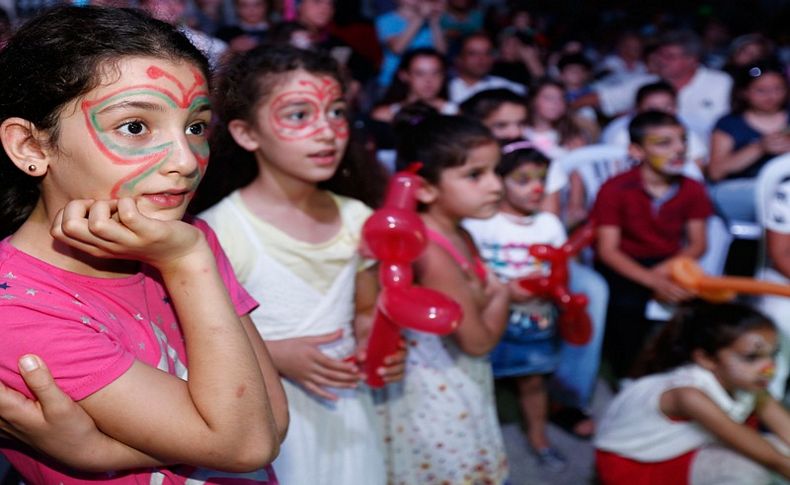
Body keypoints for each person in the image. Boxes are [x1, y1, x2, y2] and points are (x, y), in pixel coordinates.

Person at [0, 6, 287, 483]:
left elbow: (273, 419)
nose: (185, 161)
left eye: (195, 127)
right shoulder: (19, 311)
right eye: (135, 126)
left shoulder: (181, 239)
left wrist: (100, 452)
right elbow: (246, 443)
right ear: (32, 147)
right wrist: (186, 262)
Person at [195, 44, 402, 485]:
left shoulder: (358, 220)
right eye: (298, 115)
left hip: (346, 408)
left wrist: (378, 345)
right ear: (247, 134)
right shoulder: (220, 233)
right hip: (267, 415)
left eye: (337, 112)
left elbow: (366, 309)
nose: (328, 132)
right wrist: (275, 355)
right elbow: (191, 344)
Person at [377, 114, 509, 484]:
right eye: (475, 175)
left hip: (456, 383)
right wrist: (503, 296)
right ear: (424, 189)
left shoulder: (459, 231)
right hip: (441, 394)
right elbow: (478, 341)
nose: (496, 186)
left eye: (497, 171)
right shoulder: (434, 253)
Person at [595, 302, 790, 484]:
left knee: (779, 449)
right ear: (706, 359)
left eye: (773, 354)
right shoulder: (689, 395)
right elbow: (775, 460)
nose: (769, 369)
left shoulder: (751, 382)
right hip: (639, 464)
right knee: (750, 469)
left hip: (685, 448)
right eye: (751, 357)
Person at [464, 144, 568, 470]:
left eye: (541, 179)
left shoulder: (549, 224)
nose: (536, 188)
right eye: (523, 180)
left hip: (535, 318)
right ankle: (479, 447)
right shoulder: (482, 224)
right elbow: (469, 271)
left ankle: (538, 437)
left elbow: (562, 269)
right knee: (479, 382)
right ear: (500, 181)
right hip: (490, 316)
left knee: (533, 381)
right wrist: (505, 290)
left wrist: (548, 285)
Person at [591, 111, 713, 380]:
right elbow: (608, 250)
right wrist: (652, 281)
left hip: (670, 261)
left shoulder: (692, 188)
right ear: (637, 151)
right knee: (625, 306)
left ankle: (685, 374)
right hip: (625, 263)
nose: (679, 149)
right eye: (664, 143)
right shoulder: (615, 189)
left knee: (700, 305)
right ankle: (628, 376)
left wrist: (664, 273)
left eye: (682, 141)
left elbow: (698, 244)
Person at [708, 60, 790, 224]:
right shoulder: (729, 124)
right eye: (761, 90)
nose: (771, 96)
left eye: (777, 89)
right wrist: (759, 147)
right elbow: (715, 172)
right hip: (744, 193)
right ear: (743, 92)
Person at [374, 0, 447, 90]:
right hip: (392, 80)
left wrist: (434, 22)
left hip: (427, 80)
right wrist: (420, 18)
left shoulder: (429, 22)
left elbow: (442, 53)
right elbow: (397, 48)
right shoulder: (386, 20)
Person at [371, 47, 456, 123]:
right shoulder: (385, 116)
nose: (429, 80)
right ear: (404, 75)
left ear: (443, 76)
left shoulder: (453, 113)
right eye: (420, 74)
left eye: (435, 73)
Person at [447, 32, 525, 104]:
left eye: (487, 53)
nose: (482, 58)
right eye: (473, 54)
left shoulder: (502, 86)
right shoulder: (445, 88)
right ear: (459, 59)